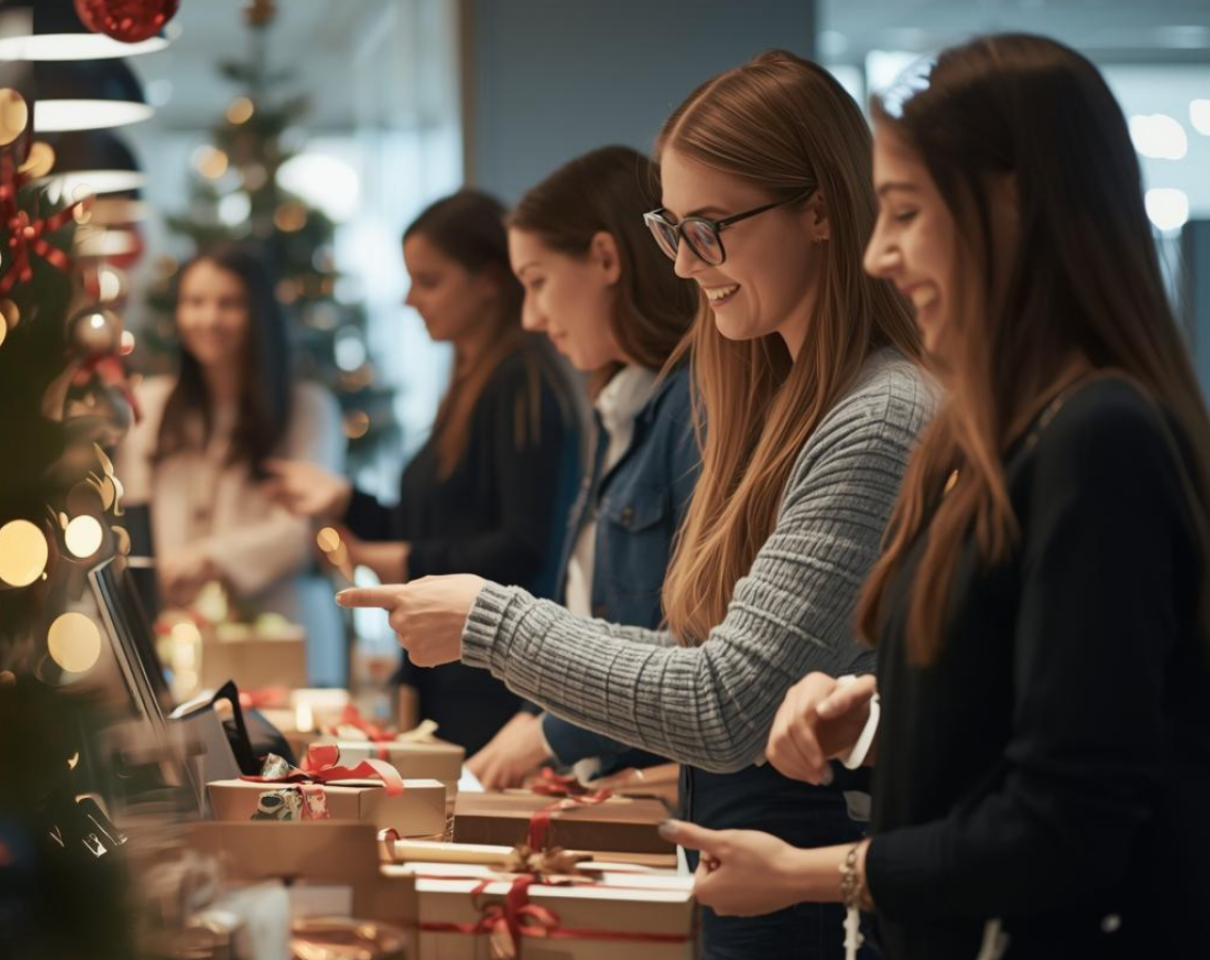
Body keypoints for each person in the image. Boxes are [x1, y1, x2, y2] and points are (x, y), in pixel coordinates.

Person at [340, 51, 935, 960]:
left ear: (820, 210)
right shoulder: (786, 402)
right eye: (673, 230)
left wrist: (491, 623)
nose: (688, 265)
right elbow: (705, 656)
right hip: (752, 865)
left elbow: (725, 702)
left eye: (710, 230)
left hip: (807, 888)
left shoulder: (877, 417)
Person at [661, 34, 1210, 960]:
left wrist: (812, 872)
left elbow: (1063, 822)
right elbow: (1031, 710)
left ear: (1015, 208)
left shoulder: (1098, 436)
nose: (880, 253)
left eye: (908, 213)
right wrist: (880, 721)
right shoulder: (1006, 433)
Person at [266, 190, 582, 756]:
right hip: (460, 676)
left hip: (491, 689)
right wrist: (346, 501)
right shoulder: (471, 379)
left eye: (429, 281)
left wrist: (398, 561)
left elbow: (525, 547)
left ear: (489, 281)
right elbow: (444, 521)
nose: (410, 299)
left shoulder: (520, 384)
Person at [464, 145, 700, 789]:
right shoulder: (619, 409)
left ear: (605, 258)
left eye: (537, 281)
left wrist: (551, 732)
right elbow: (590, 621)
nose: (530, 316)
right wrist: (538, 723)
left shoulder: (693, 408)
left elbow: (699, 659)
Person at [117, 245, 346, 684]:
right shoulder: (149, 405)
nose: (209, 318)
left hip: (280, 629)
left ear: (258, 312)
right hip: (178, 633)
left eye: (229, 304)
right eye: (195, 302)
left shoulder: (307, 409)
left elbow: (305, 533)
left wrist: (210, 558)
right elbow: (133, 515)